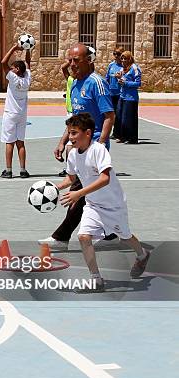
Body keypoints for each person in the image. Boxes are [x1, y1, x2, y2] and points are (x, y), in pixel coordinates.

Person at [57, 113, 149, 293]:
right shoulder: (73, 155)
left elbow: (105, 179)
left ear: (88, 133)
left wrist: (79, 194)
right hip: (93, 205)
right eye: (69, 133)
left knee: (125, 236)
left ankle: (143, 254)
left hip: (113, 204)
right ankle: (96, 280)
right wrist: (54, 188)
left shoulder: (98, 150)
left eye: (74, 133)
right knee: (83, 237)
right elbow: (70, 178)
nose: (71, 137)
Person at [40, 43, 116, 249]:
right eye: (70, 60)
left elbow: (109, 116)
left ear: (88, 61)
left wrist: (99, 145)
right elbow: (75, 120)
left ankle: (61, 237)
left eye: (76, 60)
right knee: (93, 193)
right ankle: (111, 232)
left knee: (79, 192)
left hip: (94, 145)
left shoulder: (97, 83)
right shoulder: (73, 83)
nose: (72, 64)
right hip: (78, 146)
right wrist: (63, 141)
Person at [0, 43, 32, 179]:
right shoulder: (27, 78)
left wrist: (13, 48)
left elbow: (3, 62)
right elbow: (28, 63)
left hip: (10, 114)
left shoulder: (13, 78)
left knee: (9, 142)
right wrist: (28, 49)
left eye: (13, 68)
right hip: (22, 115)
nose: (10, 70)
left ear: (17, 69)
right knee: (21, 143)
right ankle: (23, 170)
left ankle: (8, 170)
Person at [115, 51, 141, 144]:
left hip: (131, 98)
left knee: (129, 119)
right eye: (122, 58)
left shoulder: (135, 68)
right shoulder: (123, 68)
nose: (123, 60)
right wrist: (118, 78)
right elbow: (122, 80)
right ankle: (123, 137)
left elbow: (138, 83)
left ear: (130, 58)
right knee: (120, 117)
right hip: (122, 96)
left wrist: (125, 83)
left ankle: (132, 138)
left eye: (125, 58)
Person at [58, 57, 74, 177]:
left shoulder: (80, 81)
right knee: (70, 143)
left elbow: (64, 68)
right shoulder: (70, 79)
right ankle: (69, 168)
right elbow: (63, 68)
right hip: (69, 111)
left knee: (71, 143)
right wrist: (69, 61)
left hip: (75, 112)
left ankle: (70, 168)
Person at [105, 46, 124, 140]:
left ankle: (119, 133)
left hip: (120, 93)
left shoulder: (124, 67)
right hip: (111, 93)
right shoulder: (111, 65)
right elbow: (107, 78)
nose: (116, 56)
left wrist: (120, 78)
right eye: (114, 54)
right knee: (110, 114)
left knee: (119, 114)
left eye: (118, 54)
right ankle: (113, 132)